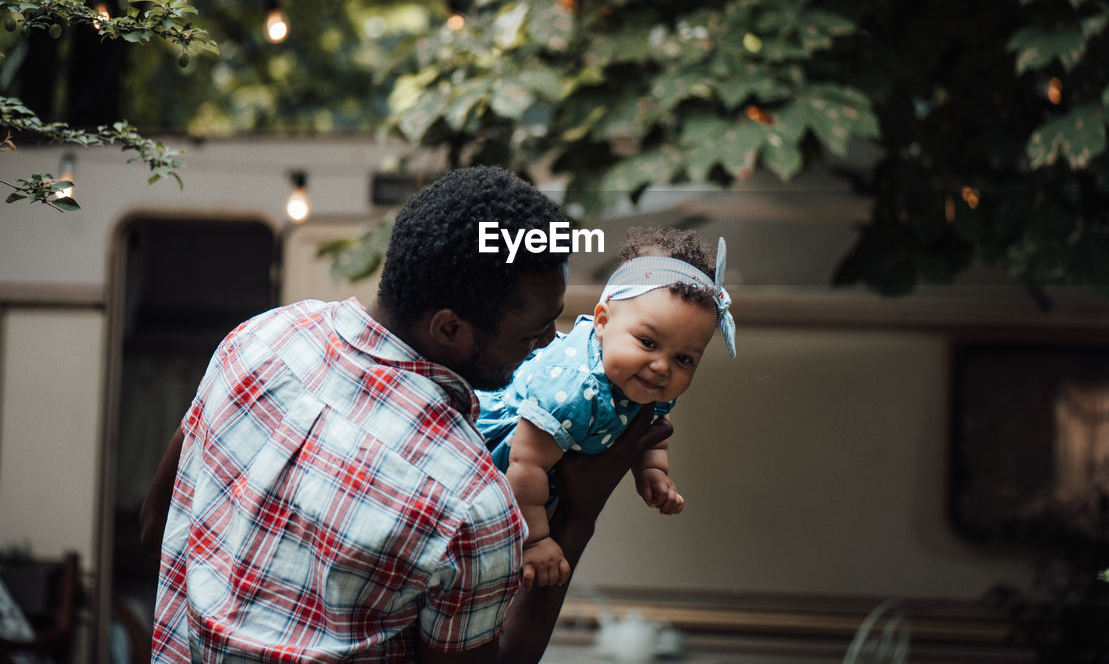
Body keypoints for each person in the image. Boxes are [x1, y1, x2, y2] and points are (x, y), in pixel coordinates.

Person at [139, 166, 672, 664]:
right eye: (531, 332)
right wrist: (580, 512)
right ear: (449, 329)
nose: (547, 346)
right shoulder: (469, 500)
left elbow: (157, 526)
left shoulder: (262, 338)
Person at [475, 228, 736, 589]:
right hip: (501, 461)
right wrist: (534, 540)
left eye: (684, 357)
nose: (662, 366)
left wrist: (653, 471)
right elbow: (524, 463)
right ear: (602, 321)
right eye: (647, 342)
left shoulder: (651, 381)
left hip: (546, 469)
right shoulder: (573, 388)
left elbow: (655, 423)